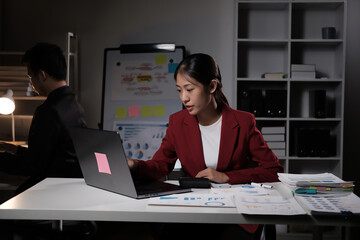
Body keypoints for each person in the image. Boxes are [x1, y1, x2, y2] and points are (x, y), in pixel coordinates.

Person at [127, 53, 283, 240]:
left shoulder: (243, 121)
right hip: (194, 211)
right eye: (179, 90)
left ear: (211, 86)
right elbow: (161, 165)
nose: (184, 98)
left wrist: (226, 176)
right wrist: (135, 165)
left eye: (189, 89)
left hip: (235, 214)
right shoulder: (177, 122)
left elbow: (273, 170)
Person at [0, 42, 86, 195]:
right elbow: (46, 156)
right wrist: (13, 149)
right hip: (71, 187)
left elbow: (33, 165)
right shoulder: (74, 106)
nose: (31, 83)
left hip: (52, 188)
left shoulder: (48, 111)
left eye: (30, 76)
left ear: (42, 75)